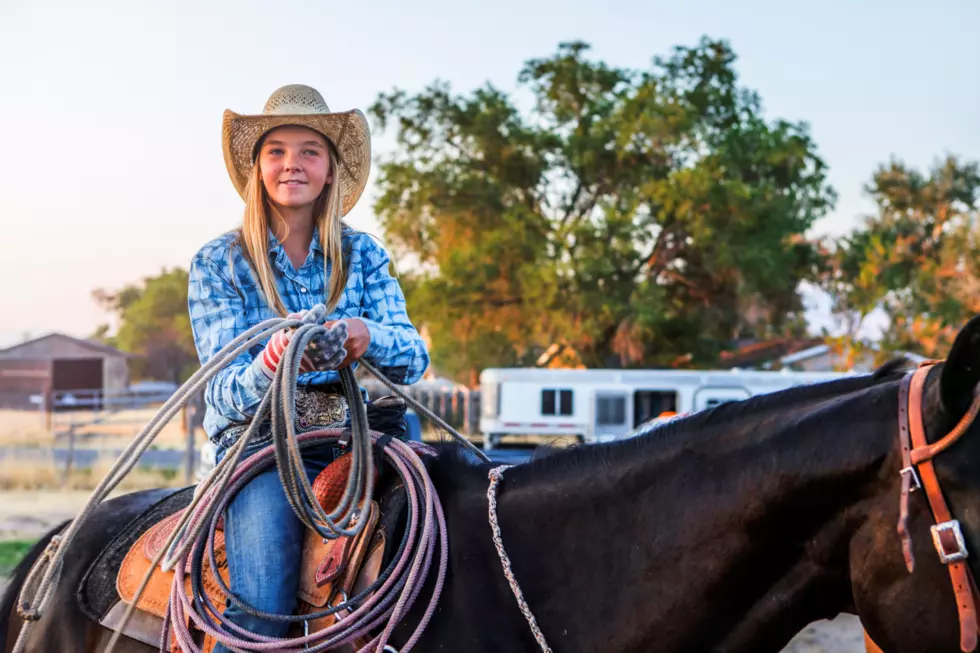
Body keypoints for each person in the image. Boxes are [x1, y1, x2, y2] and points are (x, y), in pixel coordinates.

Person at [187, 84, 429, 649]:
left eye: (309, 151)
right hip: (261, 446)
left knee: (453, 529)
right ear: (257, 168)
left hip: (354, 437)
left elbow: (413, 357)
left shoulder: (363, 254)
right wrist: (274, 360)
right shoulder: (218, 262)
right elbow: (221, 393)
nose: (292, 163)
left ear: (329, 171)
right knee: (264, 599)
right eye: (276, 150)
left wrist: (363, 335)